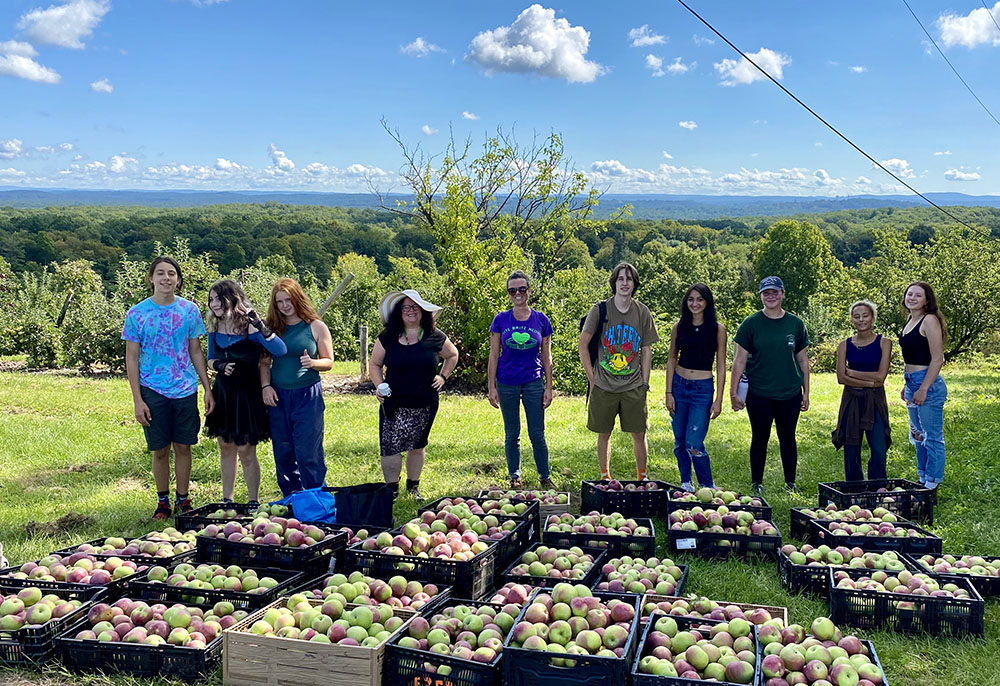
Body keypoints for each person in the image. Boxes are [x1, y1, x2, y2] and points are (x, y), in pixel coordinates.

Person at [122, 256, 214, 520]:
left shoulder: (189, 311)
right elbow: (132, 358)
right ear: (151, 278)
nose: (166, 278)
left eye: (171, 274)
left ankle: (183, 500)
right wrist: (137, 400)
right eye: (160, 273)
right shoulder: (137, 314)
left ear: (178, 279)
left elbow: (195, 351)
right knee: (160, 449)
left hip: (185, 389)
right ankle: (163, 502)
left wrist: (206, 388)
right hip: (152, 390)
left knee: (184, 446)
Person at [204, 279, 287, 506]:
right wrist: (219, 366)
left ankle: (253, 501)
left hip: (248, 394)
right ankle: (227, 499)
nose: (213, 304)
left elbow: (280, 350)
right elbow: (210, 359)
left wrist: (260, 324)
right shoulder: (213, 328)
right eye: (211, 299)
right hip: (223, 393)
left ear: (231, 297)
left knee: (246, 449)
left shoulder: (250, 326)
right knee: (225, 446)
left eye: (217, 298)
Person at [370, 289, 459, 500]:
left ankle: (413, 486)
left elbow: (452, 354)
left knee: (417, 445)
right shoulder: (387, 337)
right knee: (390, 446)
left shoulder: (435, 337)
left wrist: (443, 377)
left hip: (424, 401)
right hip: (393, 401)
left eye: (416, 307)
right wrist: (379, 385)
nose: (411, 311)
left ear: (423, 312)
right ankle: (391, 489)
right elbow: (374, 364)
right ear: (398, 312)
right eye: (406, 307)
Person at [578, 262, 659, 481]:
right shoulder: (600, 310)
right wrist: (592, 378)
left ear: (635, 284)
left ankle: (642, 477)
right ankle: (605, 476)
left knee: (639, 433)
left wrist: (645, 381)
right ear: (614, 282)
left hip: (633, 385)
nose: (625, 283)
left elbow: (646, 348)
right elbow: (582, 345)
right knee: (604, 432)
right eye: (620, 279)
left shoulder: (642, 312)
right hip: (604, 384)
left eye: (629, 279)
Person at [730, 276, 810, 494]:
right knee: (760, 436)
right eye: (766, 293)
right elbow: (739, 360)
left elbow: (802, 360)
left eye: (775, 292)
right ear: (761, 296)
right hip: (759, 392)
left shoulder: (795, 324)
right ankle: (757, 482)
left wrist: (806, 391)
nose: (771, 296)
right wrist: (733, 391)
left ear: (783, 293)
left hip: (789, 392)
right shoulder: (751, 323)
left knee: (788, 437)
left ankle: (790, 483)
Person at [259, 278, 334, 497]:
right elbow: (264, 362)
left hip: (307, 394)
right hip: (278, 396)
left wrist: (313, 363)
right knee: (283, 451)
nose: (284, 305)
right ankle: (292, 499)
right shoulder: (271, 329)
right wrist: (265, 387)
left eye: (288, 300)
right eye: (279, 301)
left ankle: (317, 497)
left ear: (298, 299)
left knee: (307, 451)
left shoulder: (316, 326)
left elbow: (328, 360)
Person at [488, 270, 555, 490]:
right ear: (508, 293)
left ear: (529, 291)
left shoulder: (541, 320)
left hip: (533, 382)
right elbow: (494, 354)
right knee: (512, 432)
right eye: (513, 290)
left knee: (537, 433)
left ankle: (544, 476)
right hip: (506, 382)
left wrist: (549, 387)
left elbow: (546, 356)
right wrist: (491, 387)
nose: (518, 293)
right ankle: (514, 475)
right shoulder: (500, 319)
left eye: (522, 289)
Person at [664, 283, 727, 493]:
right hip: (679, 386)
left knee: (694, 442)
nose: (695, 303)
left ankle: (707, 485)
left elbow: (720, 364)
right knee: (680, 441)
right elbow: (672, 358)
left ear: (707, 302)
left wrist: (719, 399)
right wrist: (668, 392)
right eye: (691, 299)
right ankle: (686, 484)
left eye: (699, 299)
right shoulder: (679, 327)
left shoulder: (718, 329)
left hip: (703, 389)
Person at [832, 301, 892, 481]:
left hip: (875, 400)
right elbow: (841, 378)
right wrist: (870, 381)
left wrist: (852, 373)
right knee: (851, 447)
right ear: (851, 319)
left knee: (878, 447)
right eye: (856, 316)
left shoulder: (884, 342)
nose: (861, 320)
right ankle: (854, 488)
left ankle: (877, 487)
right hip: (851, 400)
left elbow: (881, 377)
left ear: (873, 318)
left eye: (865, 315)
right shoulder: (844, 345)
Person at [899, 281, 947, 490]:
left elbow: (938, 359)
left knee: (932, 437)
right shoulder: (910, 319)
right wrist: (907, 385)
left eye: (918, 295)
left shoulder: (929, 320)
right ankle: (922, 479)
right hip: (912, 382)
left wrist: (924, 388)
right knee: (917, 436)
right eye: (909, 294)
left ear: (927, 300)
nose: (912, 298)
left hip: (928, 384)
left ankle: (932, 485)